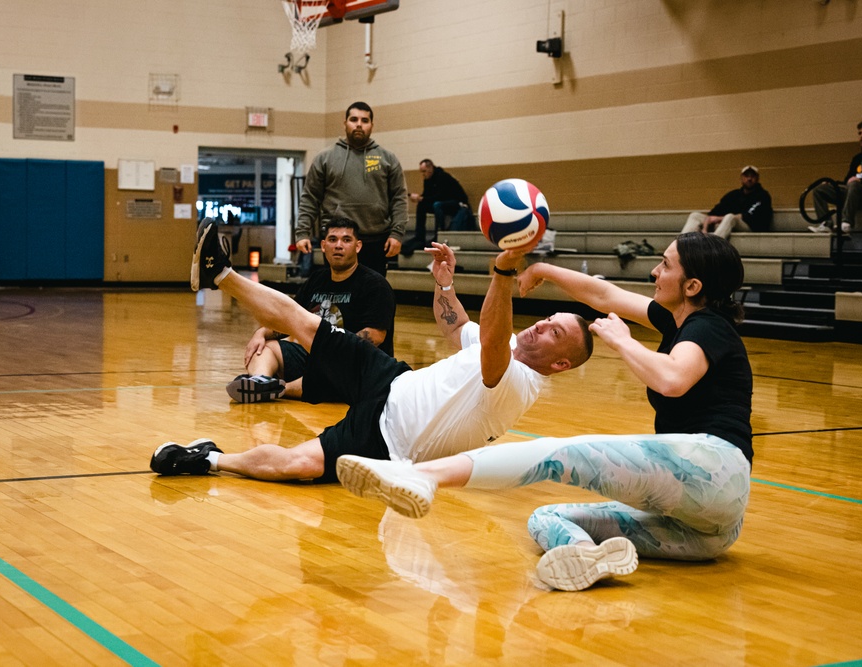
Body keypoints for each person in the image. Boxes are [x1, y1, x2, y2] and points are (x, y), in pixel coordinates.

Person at [335, 232, 754, 592]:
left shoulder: (709, 327)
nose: (654, 273)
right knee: (546, 517)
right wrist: (543, 270)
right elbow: (605, 295)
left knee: (561, 455)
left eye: (665, 265)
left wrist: (623, 340)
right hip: (708, 528)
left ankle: (421, 476)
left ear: (693, 285)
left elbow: (673, 379)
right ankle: (586, 557)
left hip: (715, 466)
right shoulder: (677, 320)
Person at [153, 218, 593, 486]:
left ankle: (209, 458)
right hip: (391, 378)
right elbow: (457, 325)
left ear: (560, 363)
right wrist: (444, 284)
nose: (541, 324)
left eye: (554, 332)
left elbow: (493, 344)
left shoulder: (520, 384)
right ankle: (221, 273)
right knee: (308, 325)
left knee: (299, 465)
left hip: (388, 441)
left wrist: (502, 269)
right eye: (547, 318)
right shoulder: (513, 344)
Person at [226, 215, 396, 404]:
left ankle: (276, 389)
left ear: (358, 246)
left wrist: (332, 356)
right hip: (317, 356)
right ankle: (261, 381)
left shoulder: (375, 285)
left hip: (358, 363)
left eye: (346, 240)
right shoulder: (316, 280)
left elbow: (375, 336)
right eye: (333, 240)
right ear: (323, 246)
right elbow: (290, 318)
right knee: (265, 347)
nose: (338, 245)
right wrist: (262, 332)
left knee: (331, 372)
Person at [294, 101, 408, 276]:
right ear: (345, 123)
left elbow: (399, 199)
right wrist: (302, 232)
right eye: (354, 119)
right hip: (337, 240)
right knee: (337, 297)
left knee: (372, 297)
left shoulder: (388, 159)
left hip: (376, 241)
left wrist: (397, 234)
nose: (359, 124)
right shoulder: (325, 158)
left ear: (372, 125)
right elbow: (310, 197)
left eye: (365, 120)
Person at [402, 159, 472, 256]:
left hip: (456, 203)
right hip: (442, 203)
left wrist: (421, 198)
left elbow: (441, 196)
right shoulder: (427, 180)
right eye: (421, 172)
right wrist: (419, 198)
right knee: (422, 205)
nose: (423, 174)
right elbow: (427, 196)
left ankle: (438, 234)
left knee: (437, 205)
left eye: (424, 171)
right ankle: (419, 236)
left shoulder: (442, 176)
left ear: (430, 168)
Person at [680, 165, 772, 238]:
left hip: (751, 227)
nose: (749, 179)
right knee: (695, 215)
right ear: (741, 178)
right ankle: (680, 247)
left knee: (730, 217)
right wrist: (705, 227)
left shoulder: (763, 196)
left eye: (752, 176)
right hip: (728, 224)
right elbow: (714, 213)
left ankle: (713, 247)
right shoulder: (734, 195)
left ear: (757, 178)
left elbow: (749, 216)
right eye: (746, 176)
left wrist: (720, 219)